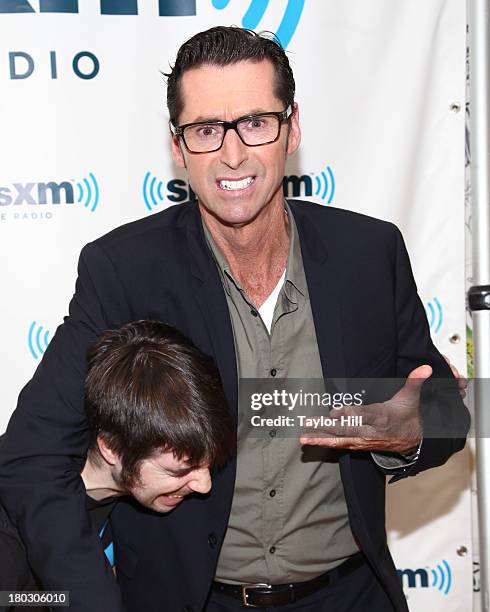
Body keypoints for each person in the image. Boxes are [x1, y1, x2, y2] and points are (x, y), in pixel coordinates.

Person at [0, 26, 469, 612]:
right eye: (205, 129)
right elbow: (33, 457)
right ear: (178, 145)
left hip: (350, 594)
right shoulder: (123, 271)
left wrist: (414, 431)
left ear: (291, 128)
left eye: (255, 122)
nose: (231, 152)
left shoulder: (367, 254)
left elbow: (444, 406)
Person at [0, 319, 233, 608]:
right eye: (178, 470)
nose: (204, 484)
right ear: (111, 448)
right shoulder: (11, 537)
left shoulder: (126, 498)